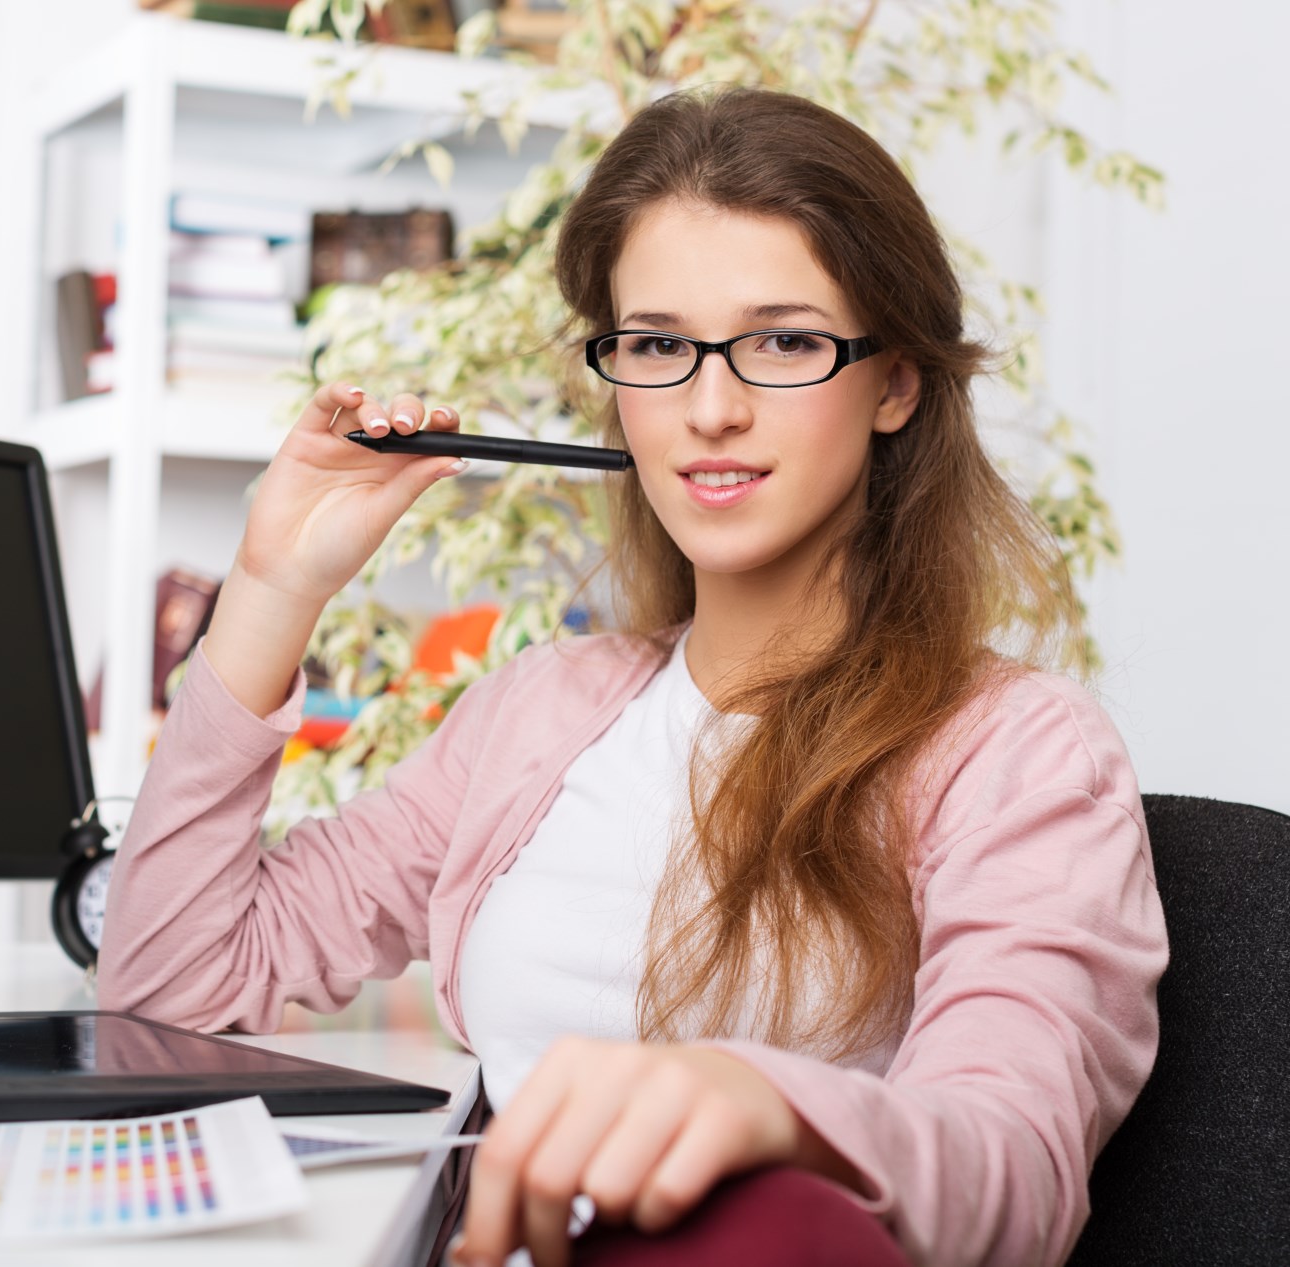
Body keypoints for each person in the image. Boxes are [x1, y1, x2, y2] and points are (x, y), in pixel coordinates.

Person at [97, 86, 1165, 1267]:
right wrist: (271, 588)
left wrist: (763, 1105)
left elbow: (1016, 1167)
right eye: (658, 345)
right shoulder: (536, 710)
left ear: (896, 383)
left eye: (785, 341)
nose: (711, 408)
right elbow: (168, 996)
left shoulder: (1020, 751)